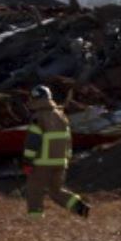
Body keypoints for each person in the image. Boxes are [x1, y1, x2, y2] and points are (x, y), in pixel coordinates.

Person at [21, 85, 90, 219]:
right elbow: (68, 140)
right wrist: (67, 158)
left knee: (34, 190)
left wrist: (27, 161)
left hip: (42, 162)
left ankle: (35, 220)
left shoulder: (38, 117)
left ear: (35, 99)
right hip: (61, 161)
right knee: (56, 191)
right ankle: (81, 208)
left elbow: (32, 142)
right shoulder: (61, 116)